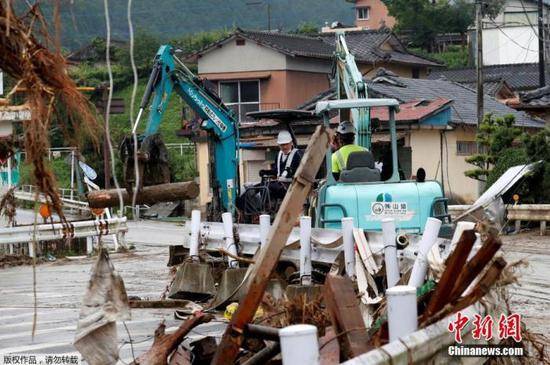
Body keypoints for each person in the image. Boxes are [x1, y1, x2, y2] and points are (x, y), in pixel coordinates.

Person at [261, 130, 303, 200]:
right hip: (280, 185)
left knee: (269, 187)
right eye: (282, 145)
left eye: (286, 144)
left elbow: (302, 171)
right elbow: (276, 170)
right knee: (262, 186)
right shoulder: (279, 155)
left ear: (291, 143)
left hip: (292, 187)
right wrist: (266, 172)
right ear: (279, 145)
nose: (285, 147)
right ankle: (266, 207)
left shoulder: (297, 154)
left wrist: (293, 172)